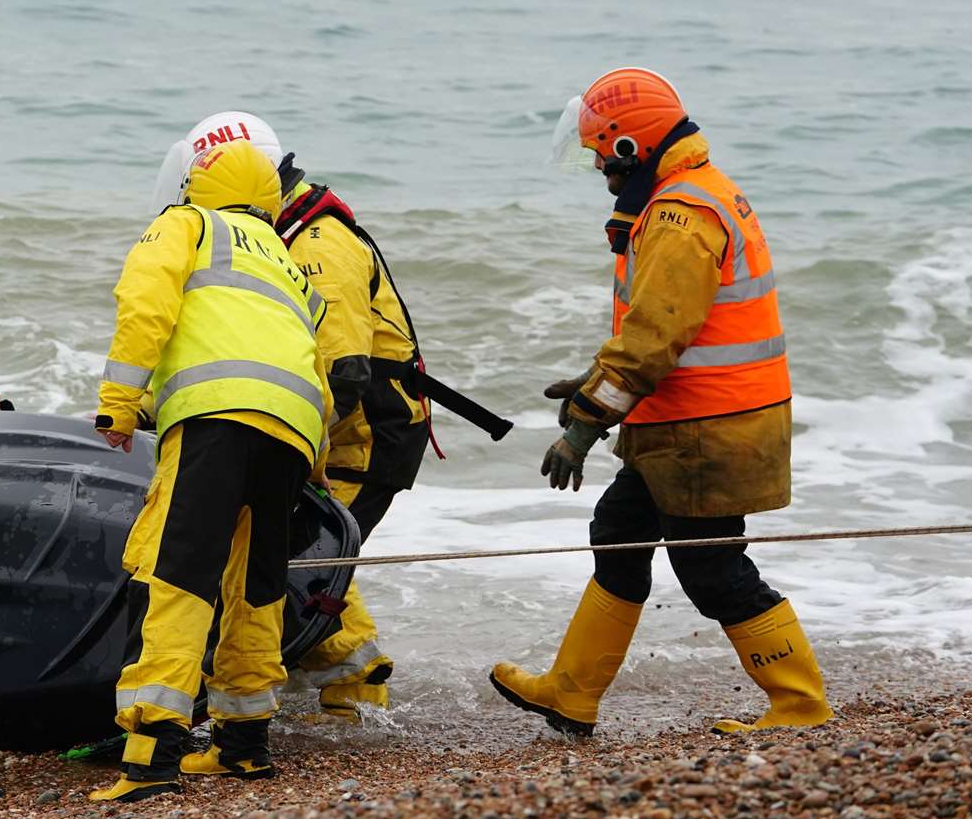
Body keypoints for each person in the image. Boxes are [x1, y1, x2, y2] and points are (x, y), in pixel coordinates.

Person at [490, 67, 831, 736]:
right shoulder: (694, 191)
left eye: (598, 150)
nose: (594, 164)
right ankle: (570, 692)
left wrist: (584, 426)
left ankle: (799, 704)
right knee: (617, 533)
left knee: (709, 566)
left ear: (629, 147)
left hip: (707, 427)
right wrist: (594, 381)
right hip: (689, 422)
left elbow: (653, 337)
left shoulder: (679, 214)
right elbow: (664, 328)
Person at [160, 111, 426, 720]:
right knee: (288, 557)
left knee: (299, 561)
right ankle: (340, 684)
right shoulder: (281, 231)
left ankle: (356, 689)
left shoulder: (315, 241)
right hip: (332, 429)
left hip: (362, 438)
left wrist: (289, 451)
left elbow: (342, 372)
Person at [89, 138, 332, 803]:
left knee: (176, 573)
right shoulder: (287, 262)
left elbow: (145, 309)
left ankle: (151, 757)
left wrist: (117, 404)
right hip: (291, 429)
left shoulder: (185, 225)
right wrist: (316, 457)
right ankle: (242, 744)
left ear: (199, 182)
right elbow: (311, 356)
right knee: (254, 587)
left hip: (216, 420)